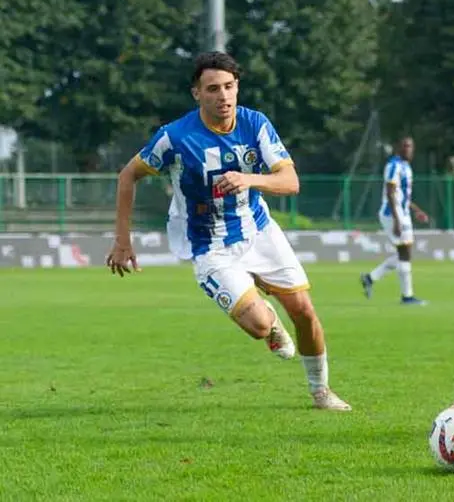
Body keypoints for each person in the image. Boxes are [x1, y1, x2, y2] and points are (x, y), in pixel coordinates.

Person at [105, 51, 351, 412]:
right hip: (209, 247)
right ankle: (269, 323)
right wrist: (123, 241)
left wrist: (248, 179)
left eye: (229, 87)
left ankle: (321, 392)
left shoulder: (255, 124)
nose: (223, 96)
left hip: (258, 231)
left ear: (237, 88)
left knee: (305, 311)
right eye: (213, 89)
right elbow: (128, 175)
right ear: (197, 93)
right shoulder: (174, 137)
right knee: (258, 324)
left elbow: (290, 181)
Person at [360, 137, 430, 305]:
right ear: (398, 148)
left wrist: (416, 210)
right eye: (405, 146)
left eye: (411, 146)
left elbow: (402, 195)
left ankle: (370, 278)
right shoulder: (394, 166)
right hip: (393, 213)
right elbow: (390, 193)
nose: (409, 149)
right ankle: (407, 296)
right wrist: (397, 220)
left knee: (403, 253)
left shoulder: (406, 166)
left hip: (402, 213)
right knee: (405, 253)